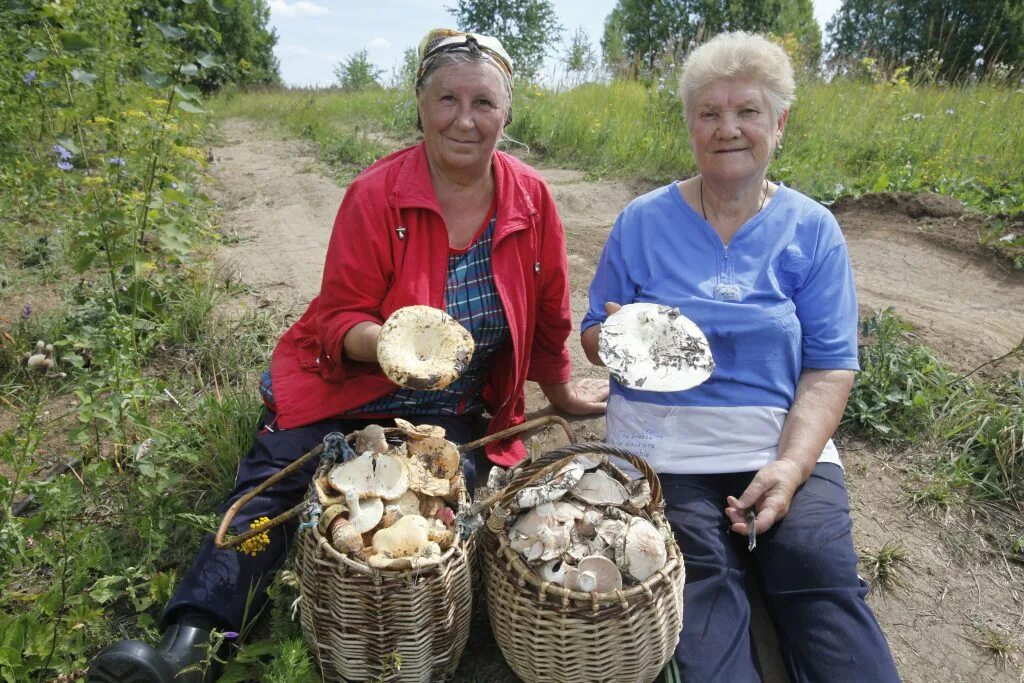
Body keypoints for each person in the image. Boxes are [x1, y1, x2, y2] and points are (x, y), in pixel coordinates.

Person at [89, 28, 607, 683]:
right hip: (344, 385)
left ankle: (402, 651)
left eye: (484, 103)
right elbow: (337, 320)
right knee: (270, 492)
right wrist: (388, 344)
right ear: (420, 103)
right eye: (448, 98)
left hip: (447, 408)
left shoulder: (531, 199)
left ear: (508, 113)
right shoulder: (377, 193)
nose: (465, 119)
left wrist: (559, 393)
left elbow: (551, 314)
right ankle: (191, 645)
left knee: (431, 515)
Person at [581, 32, 900, 682]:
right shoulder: (641, 222)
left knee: (817, 571)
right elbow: (593, 334)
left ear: (779, 123)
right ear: (691, 125)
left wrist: (789, 465)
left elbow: (830, 367)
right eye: (709, 113)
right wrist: (621, 339)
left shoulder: (812, 231)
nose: (728, 128)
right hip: (663, 448)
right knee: (700, 592)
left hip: (777, 442)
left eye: (748, 111)